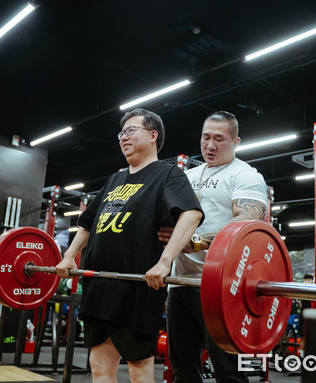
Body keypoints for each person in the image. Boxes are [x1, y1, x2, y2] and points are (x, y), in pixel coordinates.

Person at [55, 108, 203, 382]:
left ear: (153, 135)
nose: (124, 137)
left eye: (131, 130)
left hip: (137, 285)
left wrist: (165, 261)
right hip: (98, 284)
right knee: (99, 364)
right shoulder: (114, 179)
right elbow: (87, 223)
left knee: (137, 368)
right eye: (121, 133)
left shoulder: (168, 175)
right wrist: (69, 256)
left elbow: (191, 213)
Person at [159, 111, 268, 383]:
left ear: (236, 141)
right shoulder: (186, 176)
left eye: (219, 139)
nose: (210, 145)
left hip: (221, 284)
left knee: (228, 372)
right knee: (182, 367)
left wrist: (195, 242)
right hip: (180, 282)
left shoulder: (246, 175)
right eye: (206, 137)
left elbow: (245, 223)